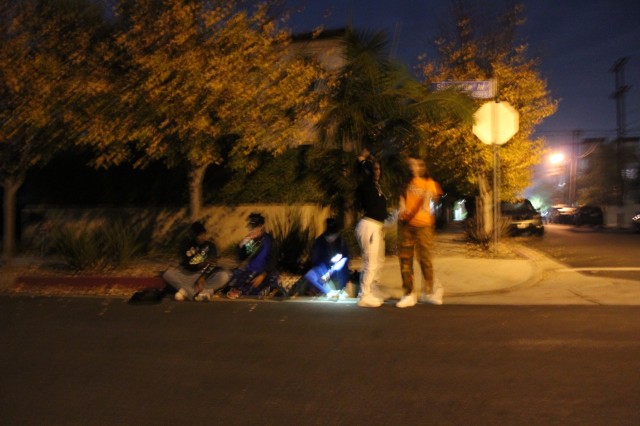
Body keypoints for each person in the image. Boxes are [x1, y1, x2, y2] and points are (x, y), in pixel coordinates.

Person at [396, 156, 444, 308]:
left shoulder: (429, 183)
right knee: (405, 260)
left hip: (424, 225)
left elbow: (429, 195)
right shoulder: (405, 183)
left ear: (422, 166)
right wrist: (402, 207)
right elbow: (402, 198)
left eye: (416, 164)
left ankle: (428, 292)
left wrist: (424, 204)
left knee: (424, 259)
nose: (413, 167)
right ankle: (408, 294)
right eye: (410, 165)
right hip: (405, 225)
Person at [162, 221, 230, 301]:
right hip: (187, 275)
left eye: (204, 234)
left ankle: (187, 292)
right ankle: (195, 295)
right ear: (193, 236)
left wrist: (203, 277)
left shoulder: (210, 246)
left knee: (224, 276)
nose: (203, 237)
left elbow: (213, 263)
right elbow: (189, 265)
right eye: (200, 235)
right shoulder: (187, 245)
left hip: (202, 274)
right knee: (167, 274)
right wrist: (204, 262)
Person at [354, 148, 388, 308]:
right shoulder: (367, 184)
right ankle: (365, 295)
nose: (377, 171)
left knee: (376, 261)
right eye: (375, 168)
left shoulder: (376, 186)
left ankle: (368, 291)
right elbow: (361, 162)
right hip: (369, 226)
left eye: (379, 168)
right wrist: (364, 156)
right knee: (371, 263)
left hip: (376, 227)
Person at [223, 213, 280, 299]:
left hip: (264, 272)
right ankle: (242, 290)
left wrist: (262, 275)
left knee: (269, 279)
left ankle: (268, 289)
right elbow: (241, 257)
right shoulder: (251, 242)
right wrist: (241, 245)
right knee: (235, 279)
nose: (251, 230)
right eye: (250, 228)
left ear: (261, 227)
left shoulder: (269, 240)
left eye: (254, 228)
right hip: (251, 272)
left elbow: (273, 261)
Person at [300, 217, 350, 299]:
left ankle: (339, 290)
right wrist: (325, 272)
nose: (331, 238)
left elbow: (345, 258)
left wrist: (332, 270)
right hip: (323, 271)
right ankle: (325, 291)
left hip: (336, 273)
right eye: (329, 236)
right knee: (311, 275)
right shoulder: (320, 242)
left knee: (341, 266)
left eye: (333, 236)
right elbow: (316, 260)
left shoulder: (341, 243)